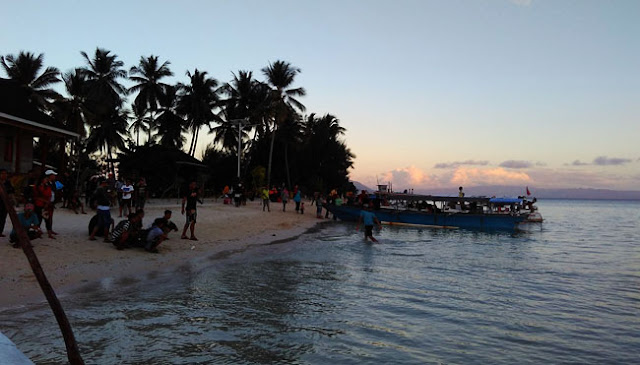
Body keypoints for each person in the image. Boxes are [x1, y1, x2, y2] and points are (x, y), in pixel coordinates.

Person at [0, 168, 16, 237]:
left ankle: (0, 231)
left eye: (5, 174)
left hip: (4, 203)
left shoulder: (7, 182)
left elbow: (12, 190)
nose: (4, 175)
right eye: (2, 174)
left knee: (2, 217)